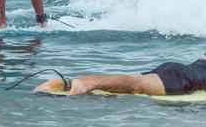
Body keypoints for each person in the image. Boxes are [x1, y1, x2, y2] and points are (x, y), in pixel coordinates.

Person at [34, 54, 206, 96]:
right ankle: (87, 84)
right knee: (135, 86)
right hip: (187, 77)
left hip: (179, 68)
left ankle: (65, 84)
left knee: (134, 80)